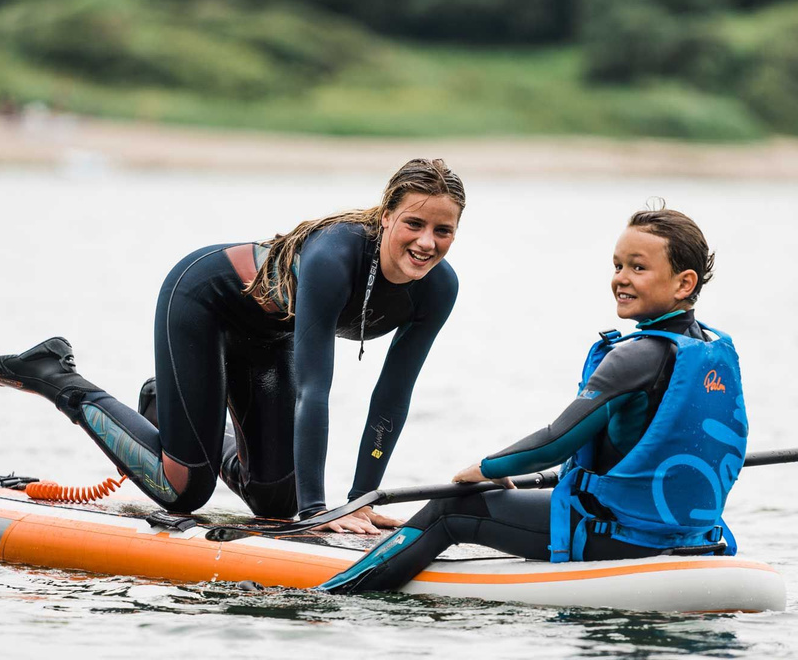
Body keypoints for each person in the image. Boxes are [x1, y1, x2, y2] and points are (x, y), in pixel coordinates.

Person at [0, 159, 465, 534]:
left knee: (275, 502)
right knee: (182, 491)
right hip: (203, 300)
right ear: (385, 218)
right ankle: (54, 374)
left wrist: (362, 499)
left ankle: (165, 407)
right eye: (414, 224)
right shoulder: (335, 255)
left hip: (269, 338)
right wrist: (319, 513)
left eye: (443, 230)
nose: (427, 242)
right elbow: (313, 390)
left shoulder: (438, 289)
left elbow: (391, 396)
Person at [321, 205, 748, 592]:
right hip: (690, 533)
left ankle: (338, 591)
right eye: (618, 265)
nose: (621, 278)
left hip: (614, 534)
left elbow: (554, 442)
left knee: (450, 508)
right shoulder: (710, 351)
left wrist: (487, 468)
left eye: (638, 268)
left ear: (683, 283)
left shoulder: (637, 354)